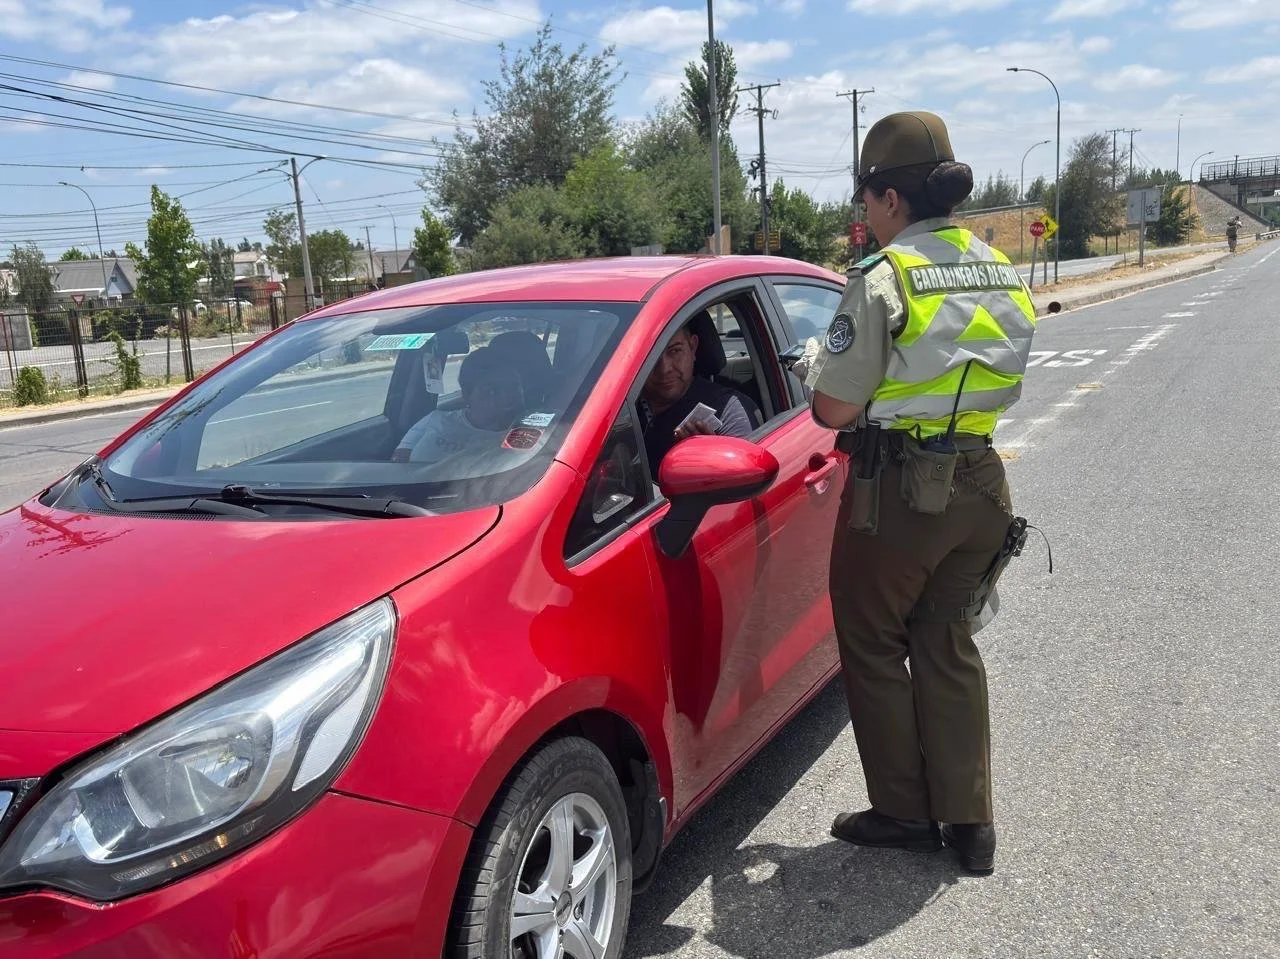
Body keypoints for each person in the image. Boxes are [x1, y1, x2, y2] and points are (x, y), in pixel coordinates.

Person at [805, 111, 1038, 876]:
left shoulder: (886, 276)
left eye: (866, 199)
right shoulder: (999, 266)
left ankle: (904, 812)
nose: (862, 214)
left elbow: (833, 409)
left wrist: (817, 364)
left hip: (903, 491)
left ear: (891, 199)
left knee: (873, 640)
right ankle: (972, 825)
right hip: (981, 478)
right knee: (947, 639)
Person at [638, 323, 755, 475]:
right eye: (650, 356)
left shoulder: (727, 411)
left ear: (693, 347)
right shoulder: (618, 407)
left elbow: (744, 484)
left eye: (675, 351)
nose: (664, 368)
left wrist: (713, 461)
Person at [393, 346, 528, 470]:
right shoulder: (436, 419)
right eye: (491, 391)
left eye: (513, 387)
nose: (506, 396)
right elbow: (398, 464)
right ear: (467, 394)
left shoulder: (528, 435)